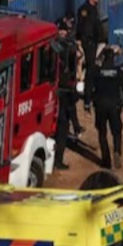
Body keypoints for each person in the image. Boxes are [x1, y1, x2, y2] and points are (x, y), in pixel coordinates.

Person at [89, 48, 123, 169]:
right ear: (113, 58)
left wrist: (87, 103)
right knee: (117, 132)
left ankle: (106, 160)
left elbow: (89, 86)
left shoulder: (96, 71)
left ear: (103, 58)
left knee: (102, 133)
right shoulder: (119, 72)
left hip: (100, 106)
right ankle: (117, 150)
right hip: (114, 106)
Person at [51, 19, 83, 169]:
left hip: (59, 91)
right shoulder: (63, 48)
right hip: (63, 92)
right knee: (63, 127)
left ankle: (76, 127)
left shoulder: (54, 46)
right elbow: (77, 59)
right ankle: (57, 160)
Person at [75, 0, 108, 72]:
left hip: (94, 41)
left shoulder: (94, 9)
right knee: (90, 65)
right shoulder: (85, 10)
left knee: (93, 63)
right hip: (88, 41)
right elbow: (84, 27)